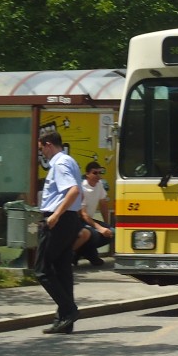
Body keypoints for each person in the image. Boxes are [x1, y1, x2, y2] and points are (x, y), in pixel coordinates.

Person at [34, 131, 84, 334]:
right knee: (62, 269)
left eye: (41, 149)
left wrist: (55, 215)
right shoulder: (70, 161)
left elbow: (74, 190)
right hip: (69, 219)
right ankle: (64, 320)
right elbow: (78, 193)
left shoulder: (60, 163)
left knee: (42, 269)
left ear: (48, 144)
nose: (42, 154)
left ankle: (69, 310)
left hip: (58, 220)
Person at [74, 160, 113, 266]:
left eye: (100, 172)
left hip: (89, 220)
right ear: (87, 174)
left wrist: (106, 225)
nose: (98, 175)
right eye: (95, 173)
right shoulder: (82, 187)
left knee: (111, 232)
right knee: (95, 234)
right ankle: (82, 253)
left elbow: (103, 204)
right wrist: (100, 228)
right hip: (79, 220)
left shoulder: (99, 184)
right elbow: (83, 214)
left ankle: (87, 253)